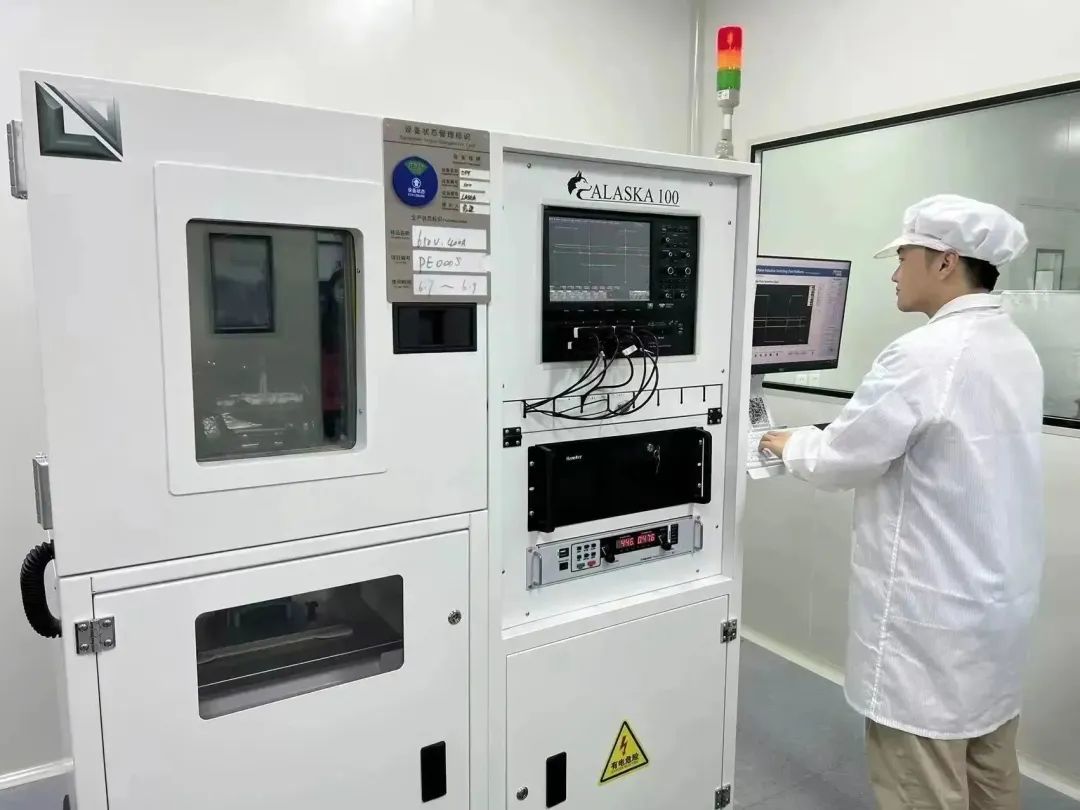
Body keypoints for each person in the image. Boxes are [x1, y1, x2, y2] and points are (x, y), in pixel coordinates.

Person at [759, 195, 1045, 810]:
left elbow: (844, 459)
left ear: (944, 262)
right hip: (995, 605)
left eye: (904, 256)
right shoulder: (1012, 344)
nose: (894, 273)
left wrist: (787, 443)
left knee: (922, 780)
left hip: (931, 619)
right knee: (988, 763)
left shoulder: (925, 354)